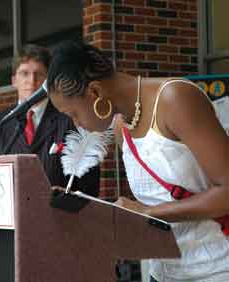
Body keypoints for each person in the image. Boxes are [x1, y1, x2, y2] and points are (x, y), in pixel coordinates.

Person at [46, 40, 229, 282]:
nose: (76, 123)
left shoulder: (175, 99)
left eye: (73, 113)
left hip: (215, 269)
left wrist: (148, 212)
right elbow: (157, 203)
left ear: (95, 92)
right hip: (163, 272)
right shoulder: (122, 126)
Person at [0, 44, 99, 282]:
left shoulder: (70, 117)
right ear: (14, 79)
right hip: (11, 235)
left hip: (60, 229)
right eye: (24, 73)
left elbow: (90, 182)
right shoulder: (3, 122)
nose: (31, 80)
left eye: (38, 74)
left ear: (48, 80)